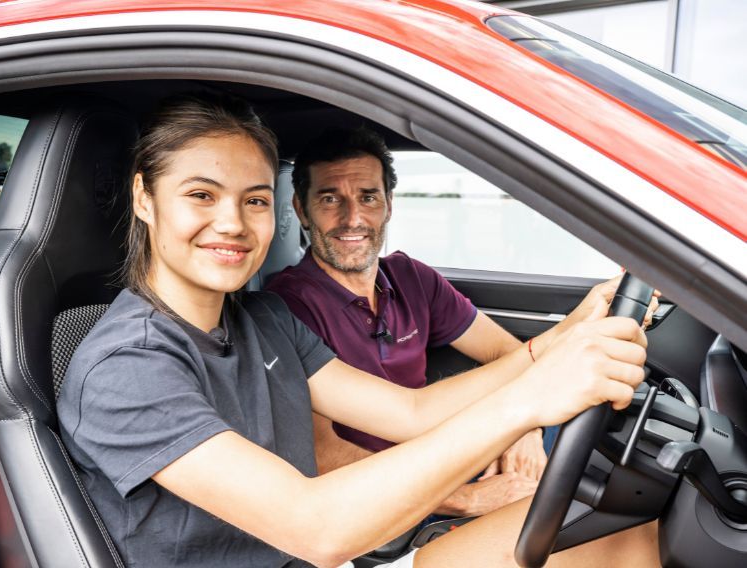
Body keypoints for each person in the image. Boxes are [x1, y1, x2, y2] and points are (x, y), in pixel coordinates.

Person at [57, 96, 659, 567]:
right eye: (200, 195)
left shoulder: (263, 320)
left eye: (254, 200)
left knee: (629, 533)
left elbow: (411, 413)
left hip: (345, 554)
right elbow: (316, 526)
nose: (232, 223)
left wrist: (555, 343)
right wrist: (527, 403)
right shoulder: (126, 367)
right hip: (326, 545)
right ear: (144, 198)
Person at [266, 127, 656, 518]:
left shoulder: (411, 277)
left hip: (456, 452)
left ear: (389, 205)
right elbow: (325, 456)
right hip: (383, 499)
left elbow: (504, 352)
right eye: (330, 198)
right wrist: (466, 500)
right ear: (302, 209)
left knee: (609, 468)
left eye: (368, 197)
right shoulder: (287, 307)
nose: (352, 218)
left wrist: (523, 429)